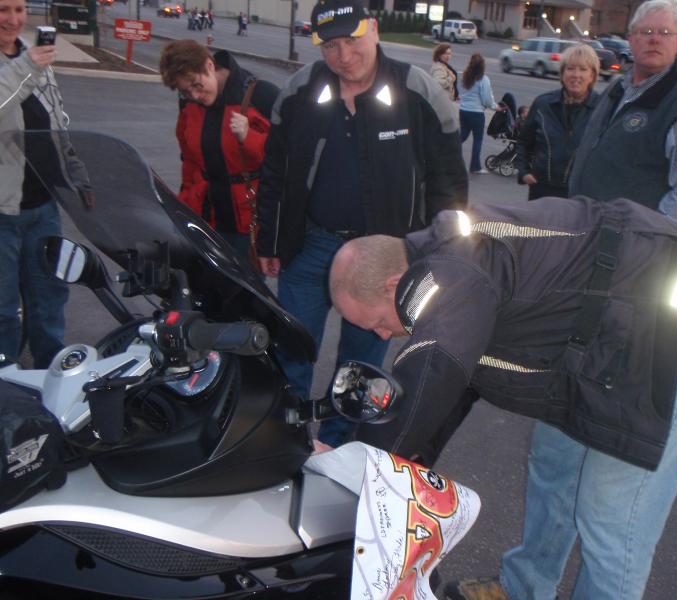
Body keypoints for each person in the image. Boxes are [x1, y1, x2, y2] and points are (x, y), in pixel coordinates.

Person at [328, 198, 677, 600]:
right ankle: (524, 588)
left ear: (392, 285)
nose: (382, 336)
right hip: (599, 329)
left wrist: (358, 470)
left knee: (612, 518)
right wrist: (400, 465)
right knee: (554, 469)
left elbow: (434, 372)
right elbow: (448, 396)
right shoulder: (446, 279)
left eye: (378, 322)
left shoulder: (454, 274)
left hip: (669, 320)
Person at [255, 0, 467, 447]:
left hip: (384, 261)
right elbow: (275, 171)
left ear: (373, 28)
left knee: (361, 366)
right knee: (291, 351)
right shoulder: (300, 90)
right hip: (310, 247)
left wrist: (442, 256)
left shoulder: (418, 92)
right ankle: (283, 441)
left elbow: (449, 181)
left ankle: (337, 445)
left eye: (352, 40)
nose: (343, 55)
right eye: (330, 45)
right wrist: (271, 239)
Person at [569, 0, 677, 230]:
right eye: (646, 31)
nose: (654, 39)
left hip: (628, 246)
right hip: (586, 229)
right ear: (631, 39)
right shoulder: (617, 89)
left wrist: (653, 238)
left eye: (665, 33)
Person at [0, 0, 92, 368]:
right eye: (4, 9)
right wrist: (27, 66)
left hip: (42, 207)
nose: (13, 19)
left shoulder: (31, 57)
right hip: (3, 213)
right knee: (4, 304)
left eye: (20, 9)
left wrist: (75, 168)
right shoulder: (27, 63)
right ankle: (6, 384)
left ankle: (49, 371)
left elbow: (57, 120)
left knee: (48, 297)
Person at [159, 39, 279, 259]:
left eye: (197, 85)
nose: (195, 96)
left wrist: (248, 137)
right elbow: (190, 162)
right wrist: (184, 205)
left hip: (248, 222)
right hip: (206, 218)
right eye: (186, 91)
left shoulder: (261, 95)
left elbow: (283, 160)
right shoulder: (189, 105)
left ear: (210, 65)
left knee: (243, 291)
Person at [515, 44, 600, 200]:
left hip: (581, 196)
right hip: (542, 192)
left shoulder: (602, 109)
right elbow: (523, 142)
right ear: (562, 74)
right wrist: (524, 172)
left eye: (583, 69)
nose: (576, 75)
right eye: (570, 69)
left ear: (592, 76)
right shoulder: (543, 104)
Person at [459, 53, 500, 174]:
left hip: (463, 110)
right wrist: (495, 107)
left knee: (462, 136)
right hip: (476, 113)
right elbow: (486, 99)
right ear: (482, 66)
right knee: (477, 140)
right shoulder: (483, 79)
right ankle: (475, 166)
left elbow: (463, 93)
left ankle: (447, 155)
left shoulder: (465, 76)